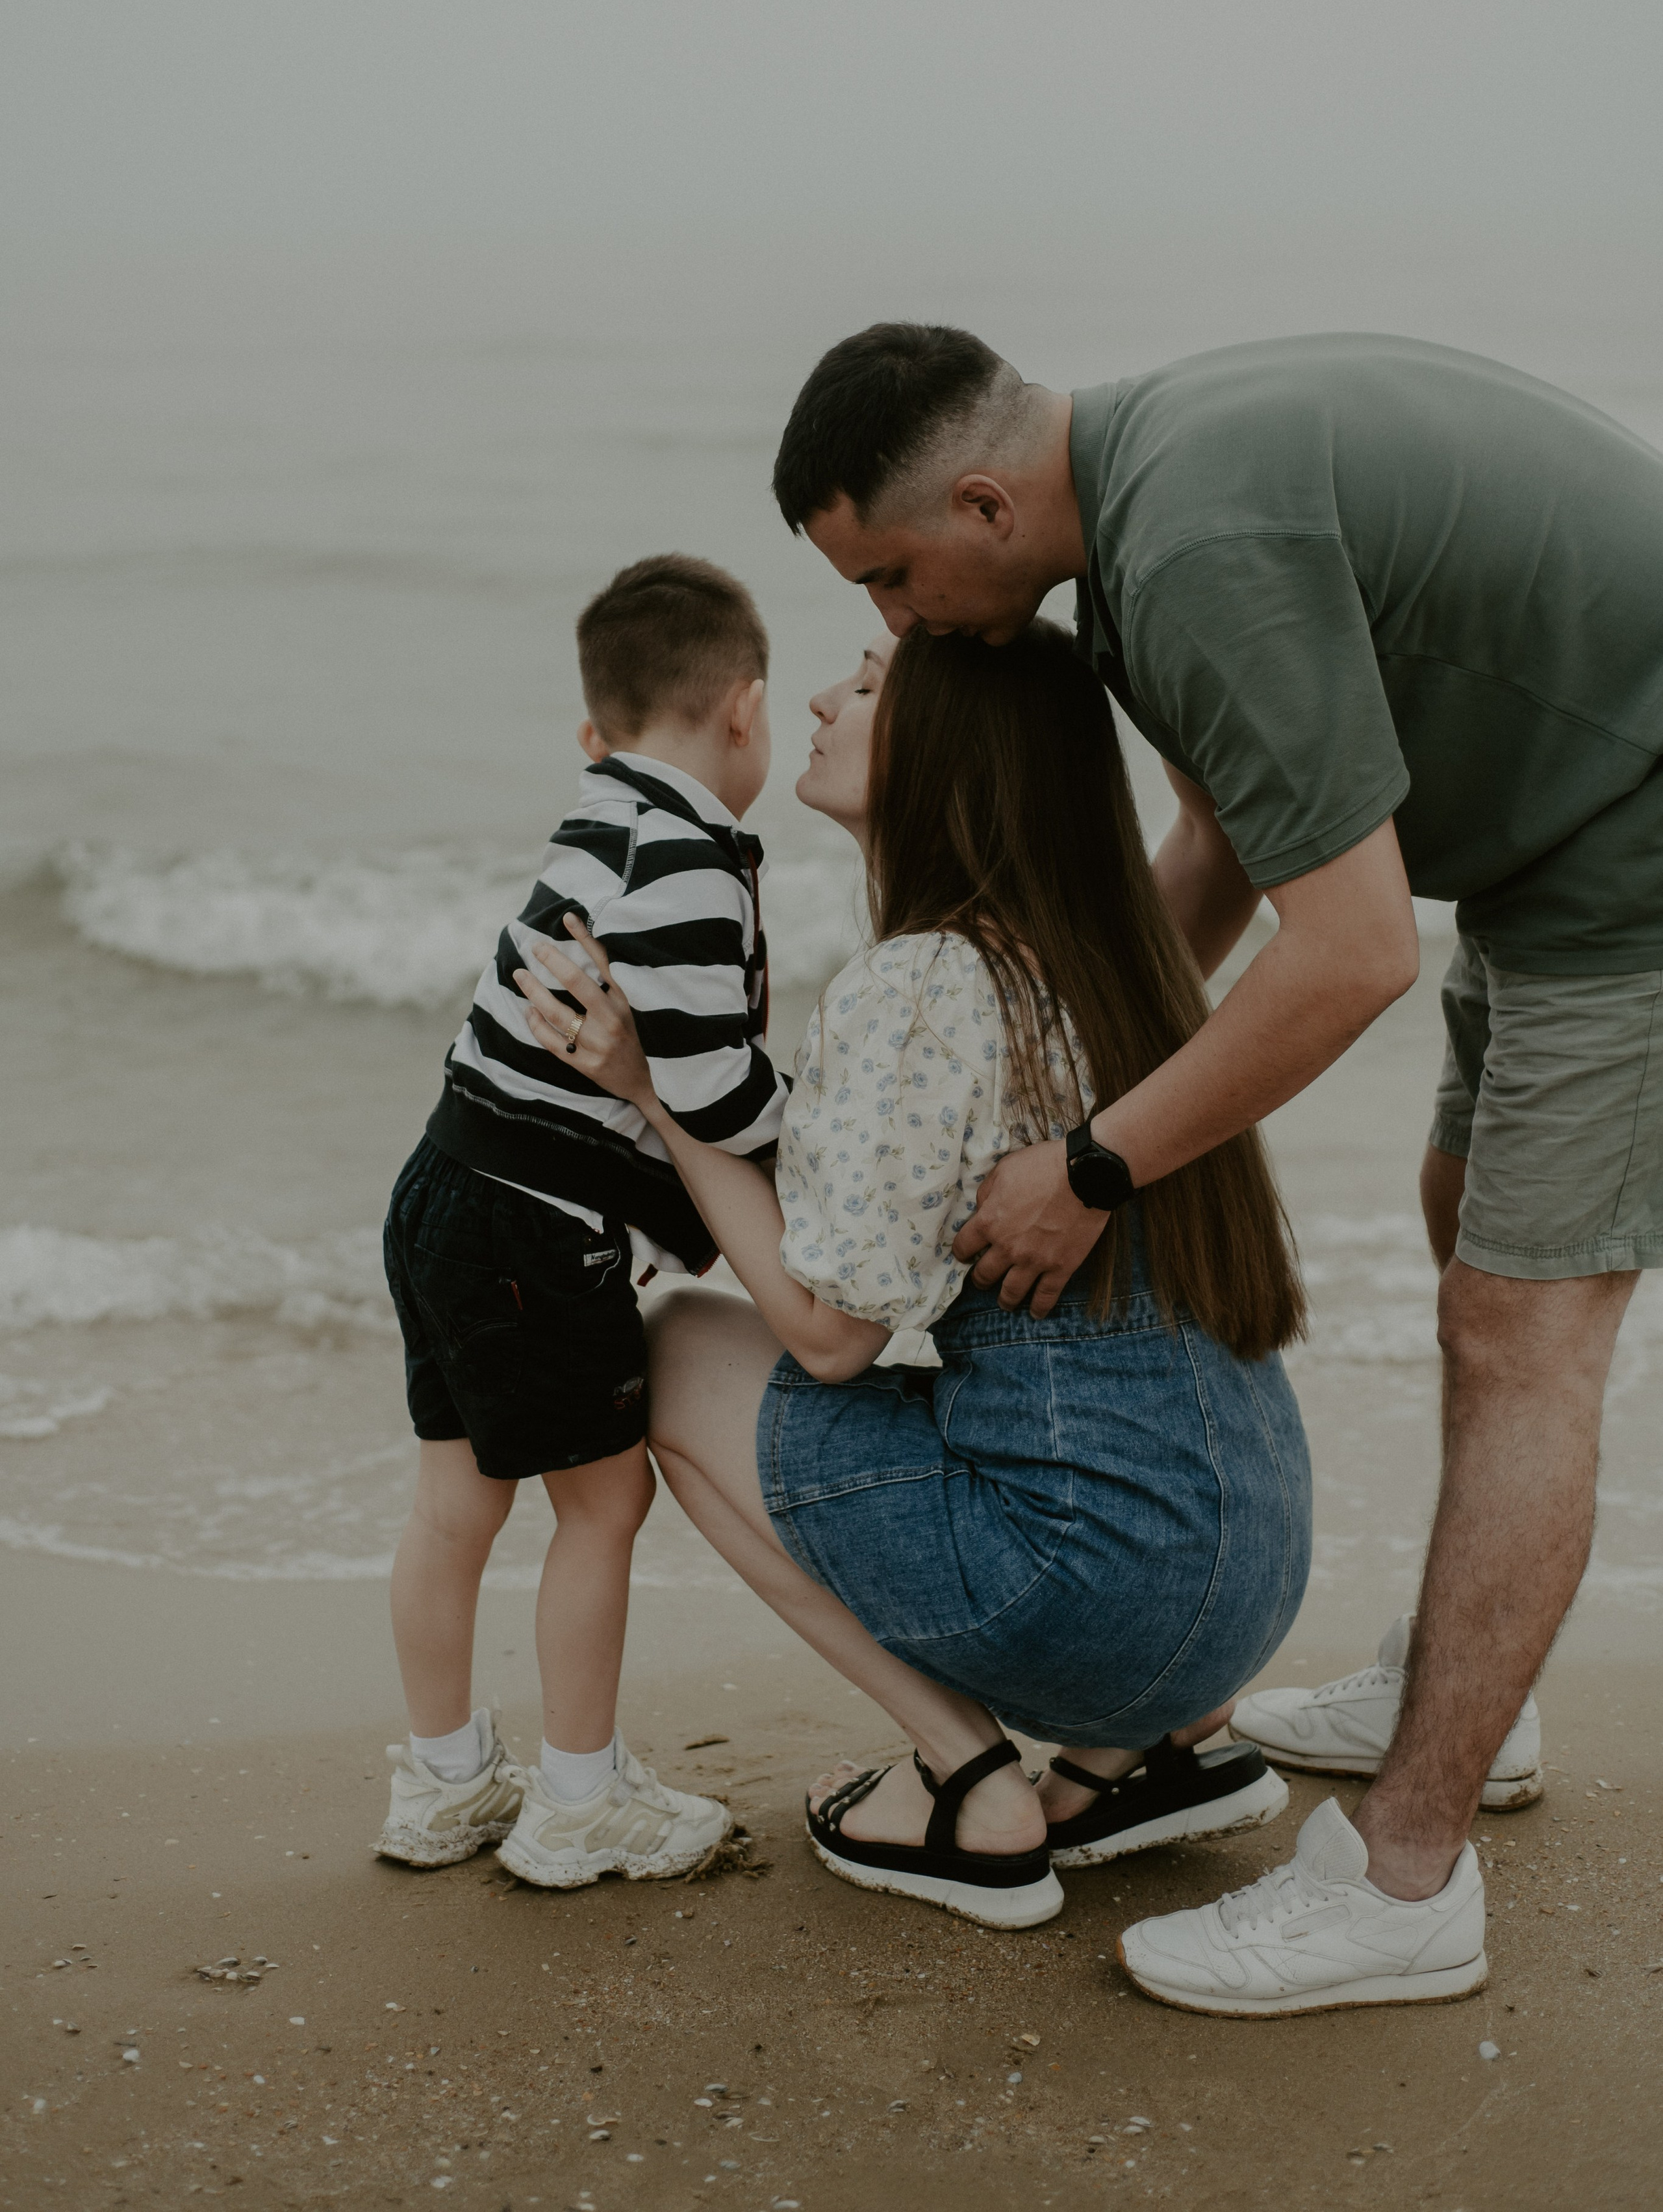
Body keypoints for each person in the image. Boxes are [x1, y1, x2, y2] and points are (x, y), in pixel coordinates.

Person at [770, 321, 1663, 2013]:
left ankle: (1407, 1879)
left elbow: (1352, 954)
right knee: (1465, 1228)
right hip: (1571, 837)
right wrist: (1035, 1064)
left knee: (1525, 1334)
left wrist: (1092, 1166)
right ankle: (1462, 1687)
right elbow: (1228, 849)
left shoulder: (1190, 548)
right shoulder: (1139, 515)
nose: (890, 629)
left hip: (1636, 850)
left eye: (890, 579)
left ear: (976, 502)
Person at [514, 619, 1311, 1933]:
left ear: (955, 748)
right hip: (1249, 1589)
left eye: (870, 682)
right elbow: (1208, 832)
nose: (822, 699)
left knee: (671, 1351)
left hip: (1095, 1608)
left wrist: (652, 1099)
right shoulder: (1123, 957)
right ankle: (1143, 1755)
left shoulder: (924, 987)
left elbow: (827, 1338)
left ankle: (971, 1779)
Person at [376, 554, 790, 1889]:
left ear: (590, 733)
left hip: (444, 1185)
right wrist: (818, 1126)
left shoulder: (597, 816)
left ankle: (441, 1781)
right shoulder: (685, 863)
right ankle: (576, 1798)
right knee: (602, 1504)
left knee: (453, 1502)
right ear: (745, 709)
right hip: (531, 1228)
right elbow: (719, 1092)